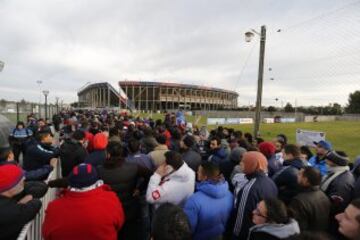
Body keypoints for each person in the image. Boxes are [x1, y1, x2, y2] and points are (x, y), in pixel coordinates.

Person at [42, 163, 125, 240]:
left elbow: (47, 234)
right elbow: (119, 223)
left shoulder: (54, 207)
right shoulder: (110, 199)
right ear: (96, 181)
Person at [97, 141, 152, 240]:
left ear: (107, 153)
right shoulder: (132, 167)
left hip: (110, 210)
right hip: (129, 209)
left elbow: (149, 175)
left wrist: (139, 188)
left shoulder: (99, 170)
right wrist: (140, 188)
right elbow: (150, 175)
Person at [232, 151, 278, 240]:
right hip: (264, 231)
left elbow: (241, 219)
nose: (240, 163)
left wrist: (236, 236)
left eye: (244, 162)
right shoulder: (271, 182)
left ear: (252, 165)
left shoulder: (249, 188)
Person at [183, 162, 233, 240]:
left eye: (199, 171)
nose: (197, 172)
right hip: (220, 235)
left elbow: (188, 228)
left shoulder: (193, 200)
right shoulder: (229, 194)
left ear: (205, 177)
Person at [0, 164, 46, 239]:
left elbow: (41, 186)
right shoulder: (9, 211)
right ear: (11, 187)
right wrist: (22, 202)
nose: (24, 178)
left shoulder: (7, 193)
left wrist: (29, 195)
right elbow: (36, 203)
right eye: (20, 179)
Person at [321, 150, 355, 236]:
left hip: (332, 222)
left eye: (327, 160)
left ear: (334, 162)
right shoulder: (337, 173)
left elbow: (336, 207)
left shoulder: (342, 182)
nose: (325, 161)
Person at [289, 167, 331, 232]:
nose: (297, 175)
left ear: (305, 180)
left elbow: (298, 228)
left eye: (299, 174)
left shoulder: (298, 201)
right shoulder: (324, 195)